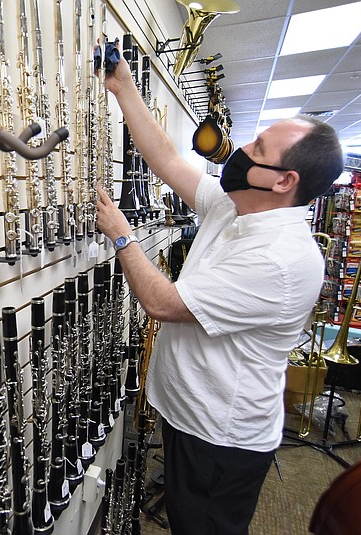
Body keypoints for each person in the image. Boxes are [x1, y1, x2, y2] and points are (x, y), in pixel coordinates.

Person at [96, 50, 344, 535]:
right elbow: (167, 159)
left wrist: (123, 238)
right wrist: (125, 87)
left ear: (283, 181)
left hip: (220, 439)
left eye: (259, 146)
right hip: (191, 414)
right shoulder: (238, 205)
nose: (242, 149)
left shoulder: (282, 259)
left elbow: (162, 304)